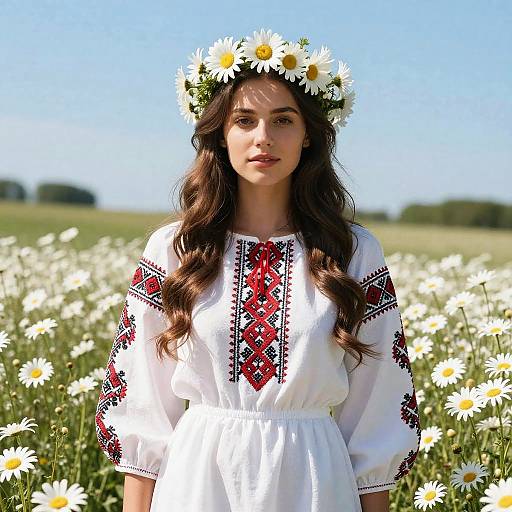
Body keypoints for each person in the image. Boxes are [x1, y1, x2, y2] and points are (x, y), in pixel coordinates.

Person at [94, 28, 421, 512]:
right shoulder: (175, 249)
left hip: (314, 481)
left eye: (283, 120)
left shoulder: (353, 252)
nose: (263, 138)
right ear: (220, 134)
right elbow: (141, 402)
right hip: (199, 480)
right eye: (244, 120)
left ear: (308, 132)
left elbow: (377, 411)